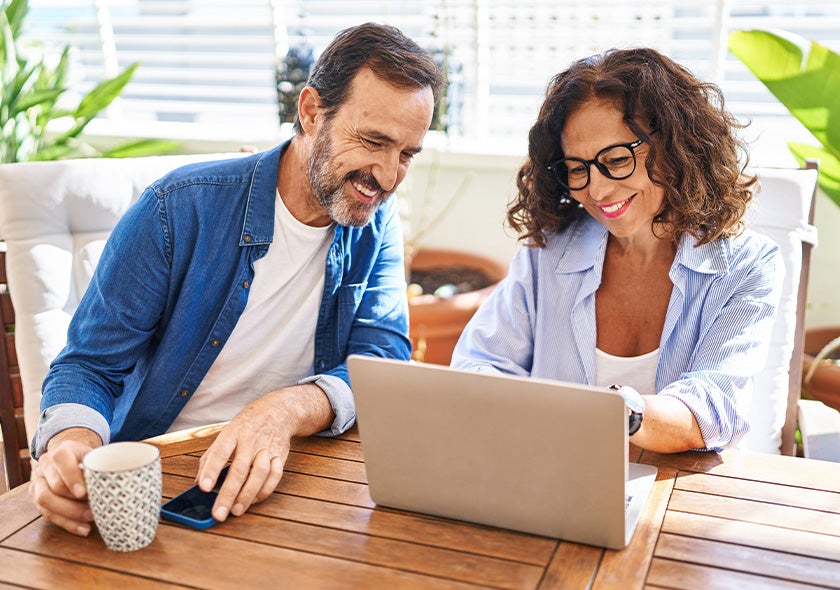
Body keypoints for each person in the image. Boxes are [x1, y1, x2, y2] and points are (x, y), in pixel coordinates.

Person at [29, 22, 444, 536]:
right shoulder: (176, 209)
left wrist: (286, 408)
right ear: (311, 112)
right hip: (163, 480)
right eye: (373, 141)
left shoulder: (374, 217)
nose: (386, 175)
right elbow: (90, 365)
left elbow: (381, 359)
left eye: (406, 154)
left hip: (293, 471)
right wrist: (70, 445)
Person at [450, 48, 782, 453]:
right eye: (578, 168)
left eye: (616, 159)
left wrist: (622, 412)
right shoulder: (548, 253)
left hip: (677, 490)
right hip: (551, 479)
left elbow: (715, 405)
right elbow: (480, 362)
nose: (597, 190)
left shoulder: (747, 266)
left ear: (676, 146)